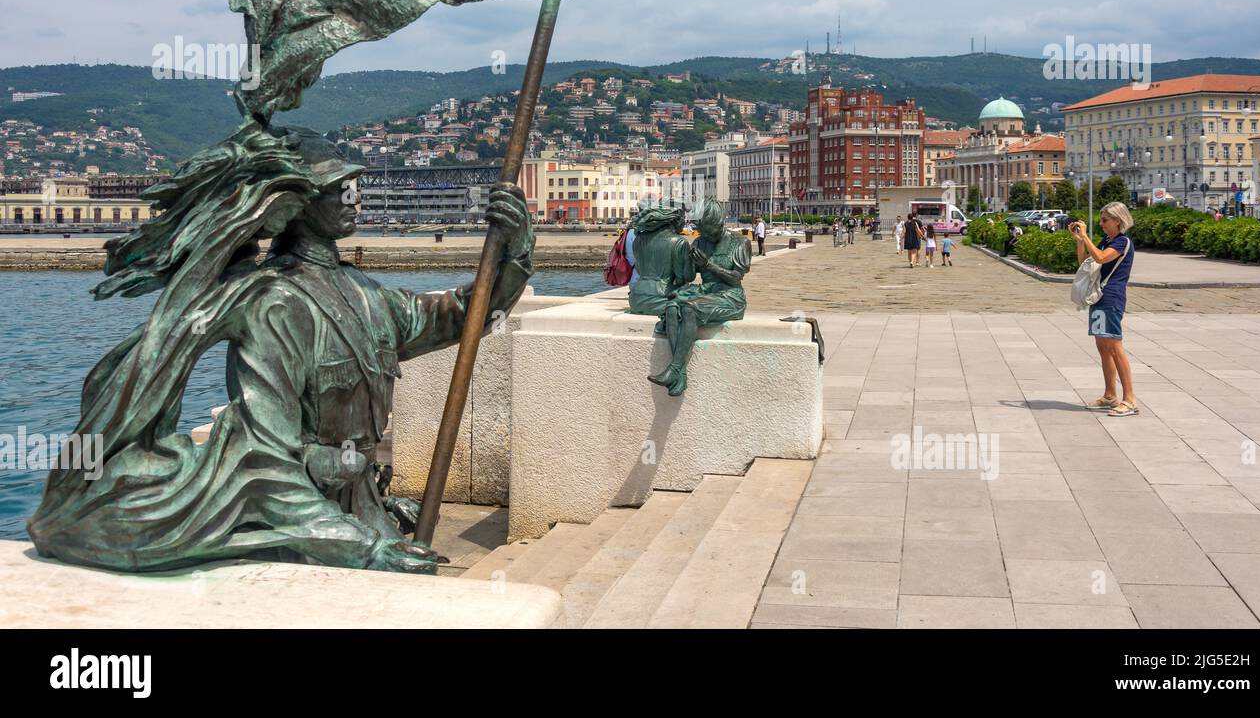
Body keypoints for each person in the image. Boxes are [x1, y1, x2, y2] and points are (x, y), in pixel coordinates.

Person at [28, 126, 535, 574]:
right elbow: (265, 458)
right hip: (303, 524)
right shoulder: (276, 302)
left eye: (354, 186)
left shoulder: (365, 294)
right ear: (296, 204)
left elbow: (460, 318)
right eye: (339, 189)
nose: (354, 197)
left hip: (357, 507)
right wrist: (362, 548)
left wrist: (514, 251)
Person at [649, 199, 750, 397]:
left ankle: (675, 369)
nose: (705, 236)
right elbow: (687, 276)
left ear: (720, 224)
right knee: (671, 307)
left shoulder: (740, 243)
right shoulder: (700, 242)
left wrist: (708, 265)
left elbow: (735, 278)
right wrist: (683, 259)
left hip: (730, 295)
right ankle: (679, 373)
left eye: (709, 231)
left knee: (689, 309)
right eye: (702, 231)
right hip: (706, 291)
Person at [1070, 201, 1138, 417]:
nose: (1101, 224)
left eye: (1105, 220)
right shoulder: (1107, 240)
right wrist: (1080, 241)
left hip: (1112, 298)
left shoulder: (1122, 242)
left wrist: (1086, 237)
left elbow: (1100, 257)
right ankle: (1110, 395)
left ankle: (1130, 400)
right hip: (1099, 298)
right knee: (1103, 347)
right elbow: (1085, 262)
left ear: (1118, 220)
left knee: (1115, 346)